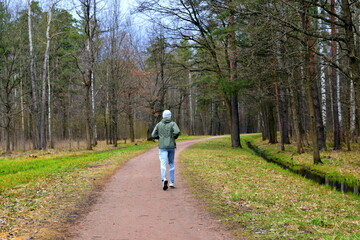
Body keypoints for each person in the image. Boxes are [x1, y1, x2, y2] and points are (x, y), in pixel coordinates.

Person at [151, 110, 180, 190]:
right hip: (171, 146)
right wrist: (173, 137)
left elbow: (153, 135)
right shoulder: (173, 124)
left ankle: (164, 179)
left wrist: (160, 138)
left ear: (163, 116)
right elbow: (177, 131)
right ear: (170, 116)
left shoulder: (159, 124)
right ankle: (172, 182)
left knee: (163, 163)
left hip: (162, 147)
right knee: (171, 163)